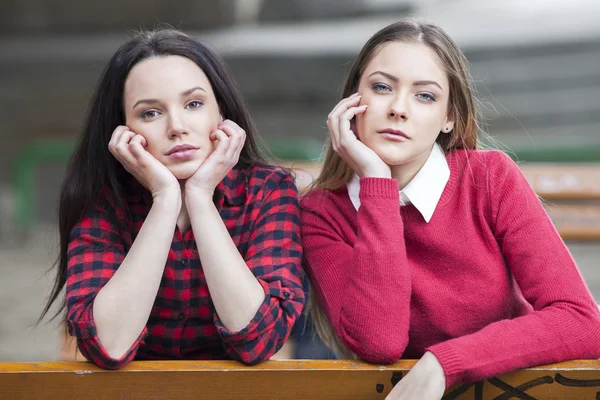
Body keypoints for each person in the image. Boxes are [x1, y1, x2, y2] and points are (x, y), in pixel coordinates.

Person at [300, 19, 600, 398]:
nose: (398, 109)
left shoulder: (490, 178)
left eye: (424, 95)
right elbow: (380, 343)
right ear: (351, 103)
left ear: (449, 118)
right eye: (381, 87)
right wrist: (378, 183)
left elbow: (581, 319)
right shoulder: (321, 212)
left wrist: (445, 363)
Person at [40, 28, 305, 370]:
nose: (177, 127)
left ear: (220, 112)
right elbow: (108, 345)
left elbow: (259, 339)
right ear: (124, 129)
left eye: (194, 104)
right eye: (150, 113)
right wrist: (165, 199)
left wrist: (199, 197)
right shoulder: (102, 199)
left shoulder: (269, 191)